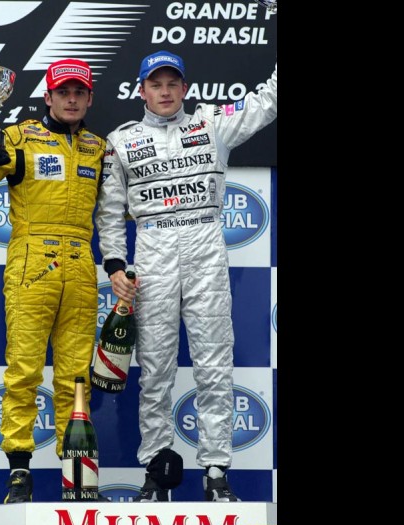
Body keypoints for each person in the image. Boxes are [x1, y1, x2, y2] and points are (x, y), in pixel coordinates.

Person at [95, 50, 277, 502]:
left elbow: (269, 100)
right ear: (141, 91)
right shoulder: (122, 140)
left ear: (185, 89)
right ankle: (156, 471)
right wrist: (115, 264)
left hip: (205, 247)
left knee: (214, 366)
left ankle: (216, 472)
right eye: (155, 84)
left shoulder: (212, 124)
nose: (164, 91)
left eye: (172, 83)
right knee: (154, 370)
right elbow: (110, 213)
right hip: (153, 250)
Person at [0, 58, 105, 504]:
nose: (71, 99)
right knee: (24, 371)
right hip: (33, 263)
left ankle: (77, 476)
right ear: (48, 97)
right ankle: (19, 474)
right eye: (63, 92)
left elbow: (116, 212)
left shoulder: (98, 147)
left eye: (79, 92)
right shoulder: (20, 137)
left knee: (77, 378)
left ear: (90, 98)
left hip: (81, 266)